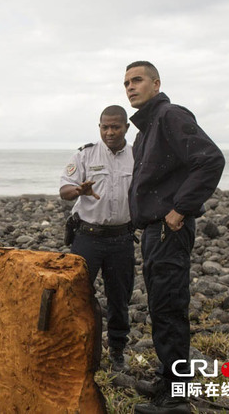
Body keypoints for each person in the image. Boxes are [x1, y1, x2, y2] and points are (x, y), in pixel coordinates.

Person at [123, 61, 225, 414]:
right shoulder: (144, 131)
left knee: (169, 309)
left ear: (156, 83)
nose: (130, 87)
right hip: (154, 232)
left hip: (170, 228)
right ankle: (168, 381)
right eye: (126, 83)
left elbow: (210, 159)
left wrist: (181, 209)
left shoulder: (169, 116)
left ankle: (178, 397)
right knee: (159, 308)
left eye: (137, 80)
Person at [60, 105, 135, 373]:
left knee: (119, 299)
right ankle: (74, 349)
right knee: (76, 295)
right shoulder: (86, 154)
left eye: (115, 127)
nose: (110, 132)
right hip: (87, 238)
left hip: (122, 239)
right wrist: (78, 189)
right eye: (105, 127)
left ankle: (117, 352)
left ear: (126, 127)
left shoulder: (138, 155)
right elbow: (64, 190)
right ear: (99, 127)